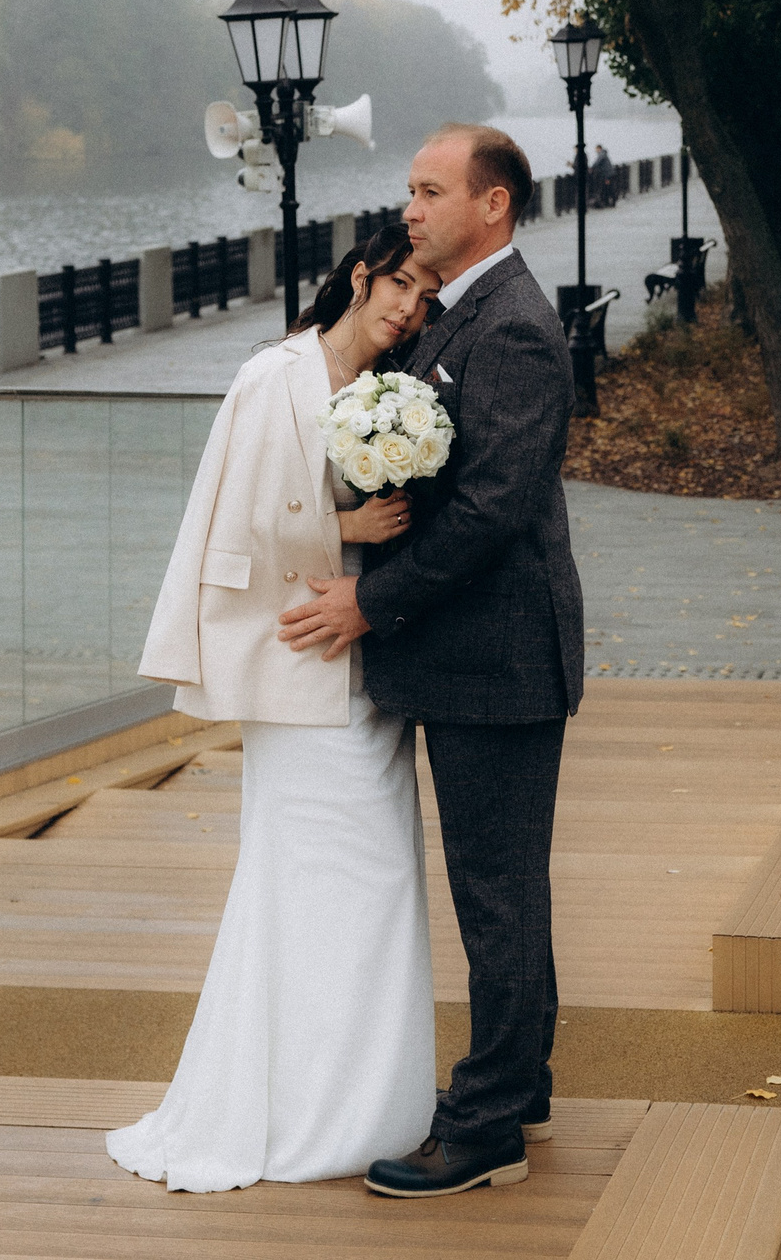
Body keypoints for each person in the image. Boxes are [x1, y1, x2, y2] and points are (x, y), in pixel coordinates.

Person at [278, 123, 585, 1199]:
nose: (409, 209)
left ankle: (486, 1125)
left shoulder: (515, 330)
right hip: (466, 655)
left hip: (496, 660)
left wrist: (370, 602)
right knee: (503, 889)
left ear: (490, 206)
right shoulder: (459, 311)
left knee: (495, 895)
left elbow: (494, 512)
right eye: (409, 191)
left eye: (429, 190)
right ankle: (522, 1083)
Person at [108, 224, 443, 1194]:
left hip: (360, 659)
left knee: (377, 885)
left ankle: (366, 1101)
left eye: (422, 300)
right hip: (301, 660)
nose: (406, 310)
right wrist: (346, 525)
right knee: (304, 885)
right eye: (398, 288)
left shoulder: (388, 392)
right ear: (360, 275)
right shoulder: (276, 376)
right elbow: (235, 515)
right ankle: (293, 1111)